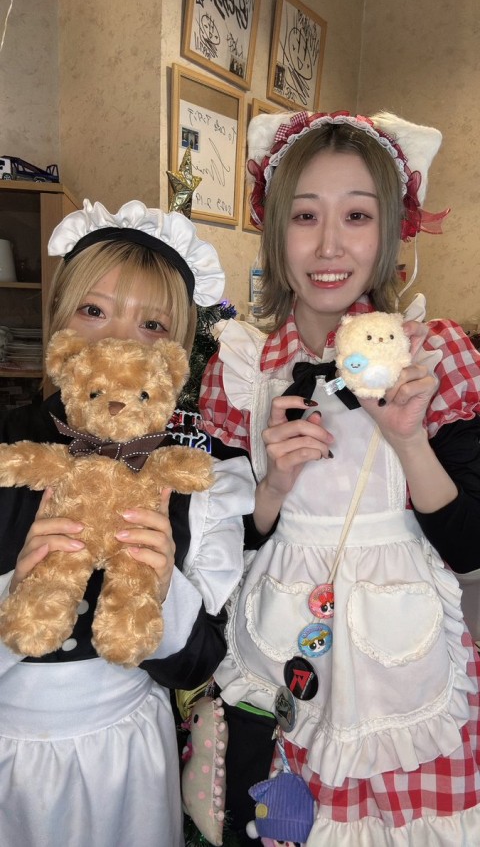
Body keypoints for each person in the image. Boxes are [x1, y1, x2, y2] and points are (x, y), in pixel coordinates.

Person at [199, 111, 480, 845]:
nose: (329, 245)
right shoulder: (241, 367)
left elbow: (470, 546)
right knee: (284, 821)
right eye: (305, 216)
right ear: (275, 231)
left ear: (390, 231)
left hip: (404, 663)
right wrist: (271, 489)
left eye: (357, 215)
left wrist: (408, 440)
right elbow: (216, 550)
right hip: (284, 657)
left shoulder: (431, 354)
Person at [0, 199, 255, 847]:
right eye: (94, 310)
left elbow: (198, 663)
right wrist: (12, 594)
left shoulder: (196, 480)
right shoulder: (8, 453)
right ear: (59, 320)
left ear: (175, 354)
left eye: (151, 323)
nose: (116, 340)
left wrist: (166, 587)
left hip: (128, 757)